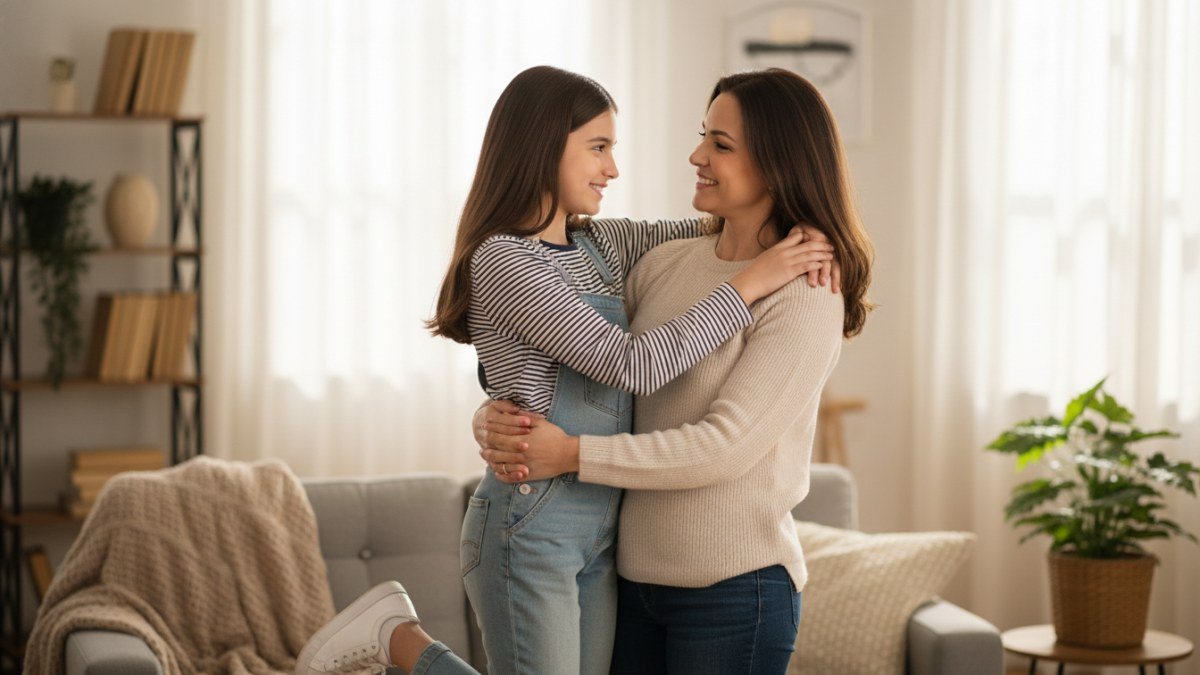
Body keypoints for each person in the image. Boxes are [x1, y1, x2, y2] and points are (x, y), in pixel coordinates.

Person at [294, 66, 838, 675]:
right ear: (542, 147)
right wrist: (755, 279)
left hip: (645, 551)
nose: (615, 169)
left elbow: (702, 247)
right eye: (599, 148)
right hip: (544, 523)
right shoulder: (521, 259)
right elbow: (630, 364)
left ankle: (398, 639)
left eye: (719, 142)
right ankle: (401, 642)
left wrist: (805, 232)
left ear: (776, 162)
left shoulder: (606, 248)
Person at [476, 68, 874, 673]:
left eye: (720, 144)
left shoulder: (805, 292)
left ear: (778, 163)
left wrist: (574, 453)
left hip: (735, 594)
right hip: (630, 580)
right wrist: (497, 409)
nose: (697, 155)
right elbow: (582, 354)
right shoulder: (662, 265)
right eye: (703, 136)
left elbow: (722, 448)